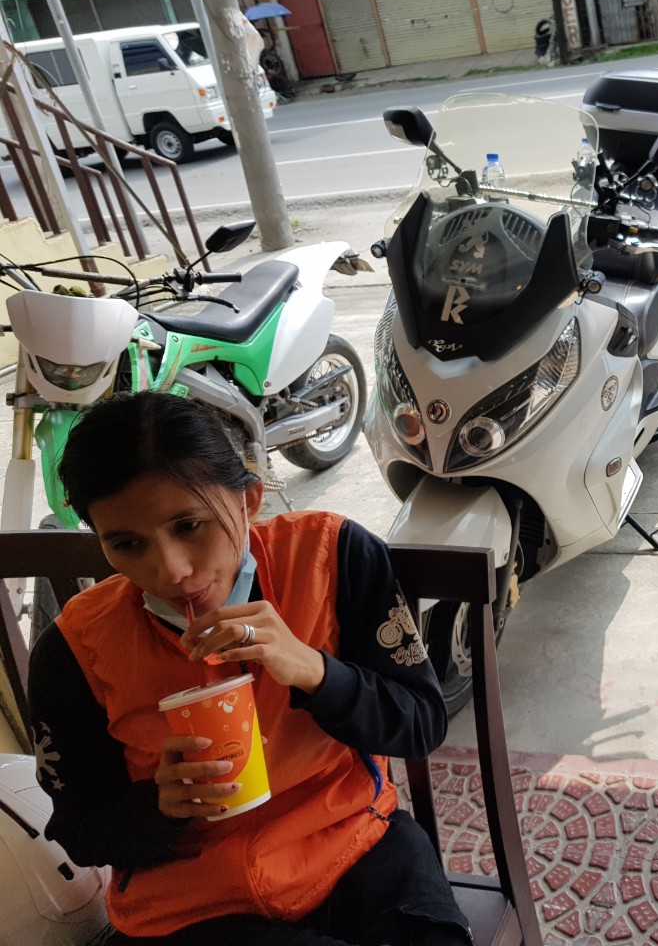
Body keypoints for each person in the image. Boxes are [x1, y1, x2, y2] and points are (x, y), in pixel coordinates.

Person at [27, 391, 471, 946]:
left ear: (249, 499)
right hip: (195, 904)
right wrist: (160, 807)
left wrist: (315, 671)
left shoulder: (331, 556)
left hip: (352, 842)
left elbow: (421, 724)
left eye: (189, 525)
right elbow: (81, 833)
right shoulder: (75, 650)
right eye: (127, 544)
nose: (172, 570)